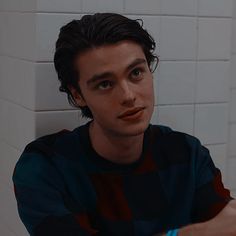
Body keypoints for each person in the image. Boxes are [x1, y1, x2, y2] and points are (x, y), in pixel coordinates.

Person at [12, 13, 236, 236]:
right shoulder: (45, 167)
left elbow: (226, 225)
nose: (128, 95)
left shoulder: (187, 154)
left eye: (136, 73)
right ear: (78, 95)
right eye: (105, 84)